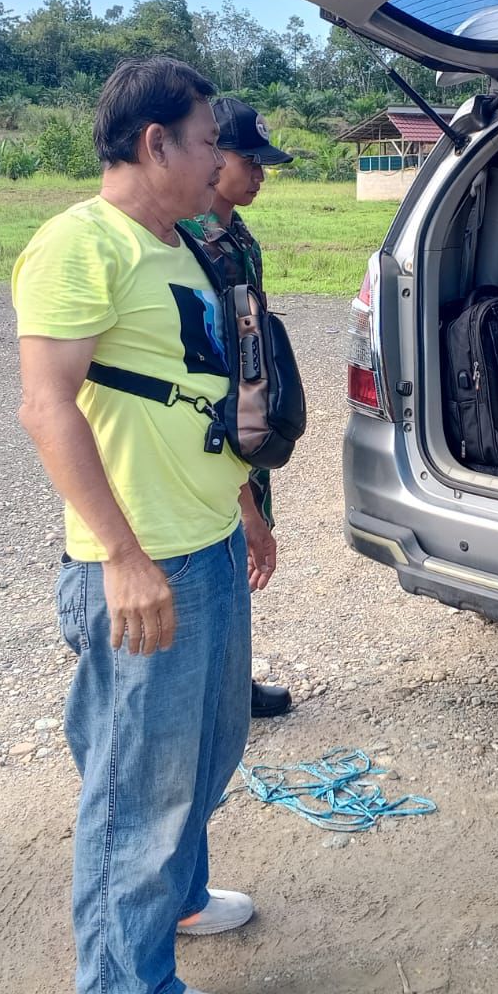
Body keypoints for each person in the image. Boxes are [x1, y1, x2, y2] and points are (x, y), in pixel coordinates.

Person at [13, 57, 265, 994]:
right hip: (144, 556)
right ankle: (124, 982)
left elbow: (195, 392)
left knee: (210, 748)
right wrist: (120, 554)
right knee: (137, 792)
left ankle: (183, 898)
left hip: (207, 540)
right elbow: (48, 407)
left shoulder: (181, 245)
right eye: (207, 144)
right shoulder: (81, 243)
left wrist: (244, 507)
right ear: (154, 143)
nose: (219, 162)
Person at [180, 96, 295, 719]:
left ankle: (232, 679)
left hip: (249, 418)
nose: (258, 174)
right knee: (221, 549)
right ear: (210, 153)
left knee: (243, 557)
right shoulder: (188, 239)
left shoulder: (237, 234)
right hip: (216, 419)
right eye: (248, 160)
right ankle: (215, 691)